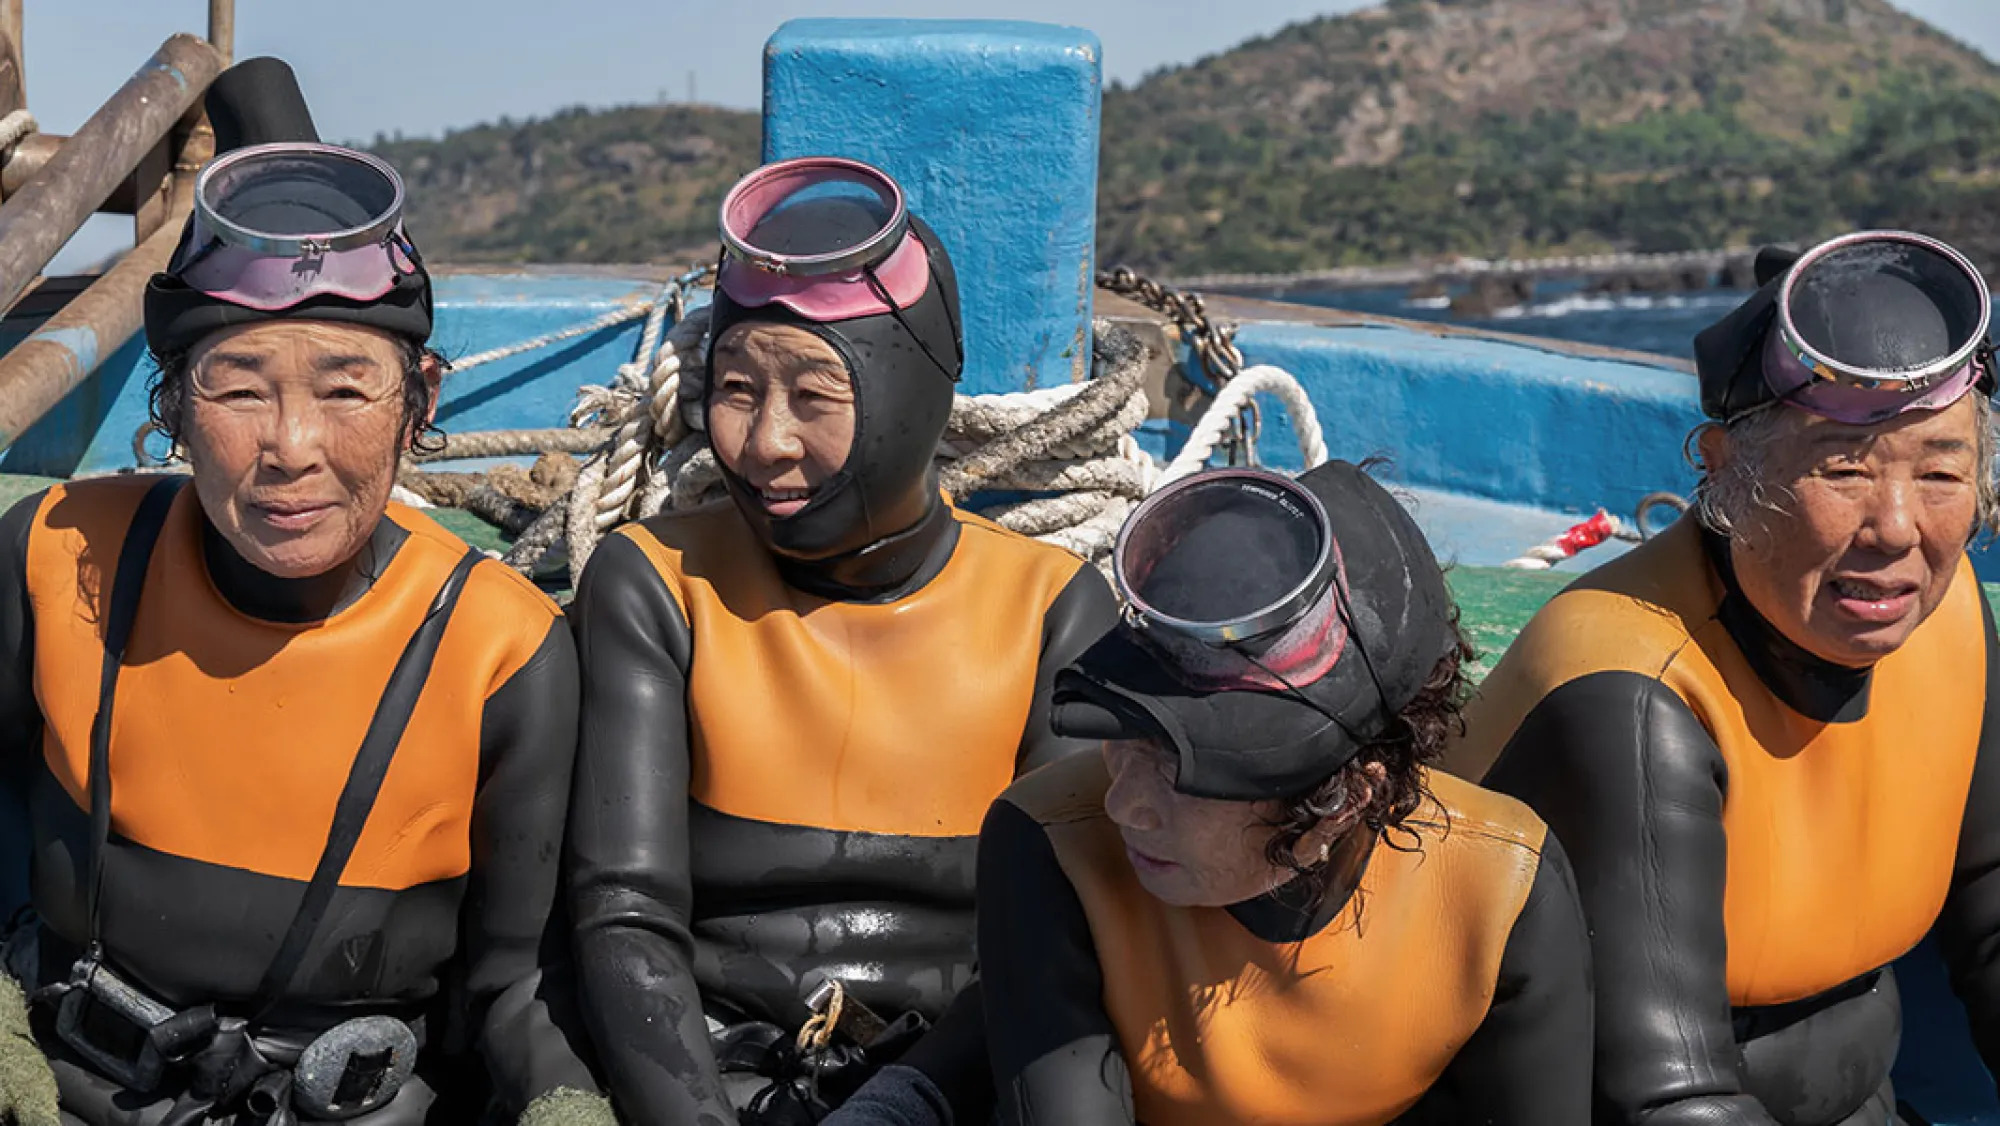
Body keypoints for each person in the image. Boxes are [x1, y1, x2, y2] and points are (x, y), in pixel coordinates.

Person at [0, 59, 610, 1126]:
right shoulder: (54, 559)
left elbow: (514, 992)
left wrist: (565, 1106)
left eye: (345, 388)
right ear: (175, 407)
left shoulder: (498, 651)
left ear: (417, 402)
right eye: (237, 388)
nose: (292, 447)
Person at [565, 157, 1118, 1124]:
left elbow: (1053, 955)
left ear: (911, 391)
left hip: (952, 1084)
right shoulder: (658, 584)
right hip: (715, 1072)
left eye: (814, 397)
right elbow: (625, 913)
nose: (766, 441)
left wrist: (897, 1105)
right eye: (736, 389)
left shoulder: (1050, 611)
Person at [1447, 230, 2000, 1126]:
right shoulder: (1632, 688)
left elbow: (1994, 907)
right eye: (1843, 468)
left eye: (1942, 471)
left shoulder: (1945, 615)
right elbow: (1667, 1098)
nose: (1899, 529)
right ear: (1726, 467)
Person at [978, 462, 1594, 1126]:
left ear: (1352, 796)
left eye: (1185, 773)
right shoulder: (1050, 844)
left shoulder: (1501, 885)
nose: (1121, 804)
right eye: (1126, 733)